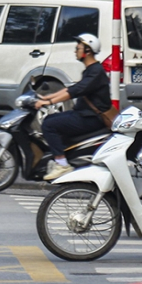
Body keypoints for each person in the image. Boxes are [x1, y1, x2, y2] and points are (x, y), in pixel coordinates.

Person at [35, 33, 110, 181]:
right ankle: (61, 159)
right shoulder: (91, 70)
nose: (75, 51)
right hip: (84, 114)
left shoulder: (96, 71)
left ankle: (62, 164)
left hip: (91, 118)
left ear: (87, 51)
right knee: (53, 119)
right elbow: (74, 87)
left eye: (78, 48)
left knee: (49, 124)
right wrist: (47, 97)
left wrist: (49, 103)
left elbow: (76, 91)